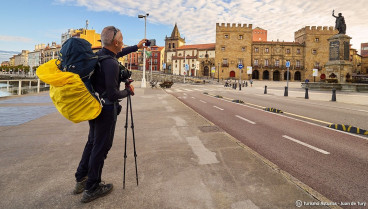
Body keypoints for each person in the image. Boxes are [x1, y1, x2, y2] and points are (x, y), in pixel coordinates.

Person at [73, 26, 147, 203]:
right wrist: (128, 91)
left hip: (94, 106)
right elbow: (113, 94)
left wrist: (136, 47)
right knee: (101, 147)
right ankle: (92, 187)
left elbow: (117, 54)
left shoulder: (100, 56)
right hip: (106, 111)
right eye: (122, 40)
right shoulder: (112, 64)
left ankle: (81, 179)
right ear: (115, 42)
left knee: (92, 142)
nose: (123, 43)